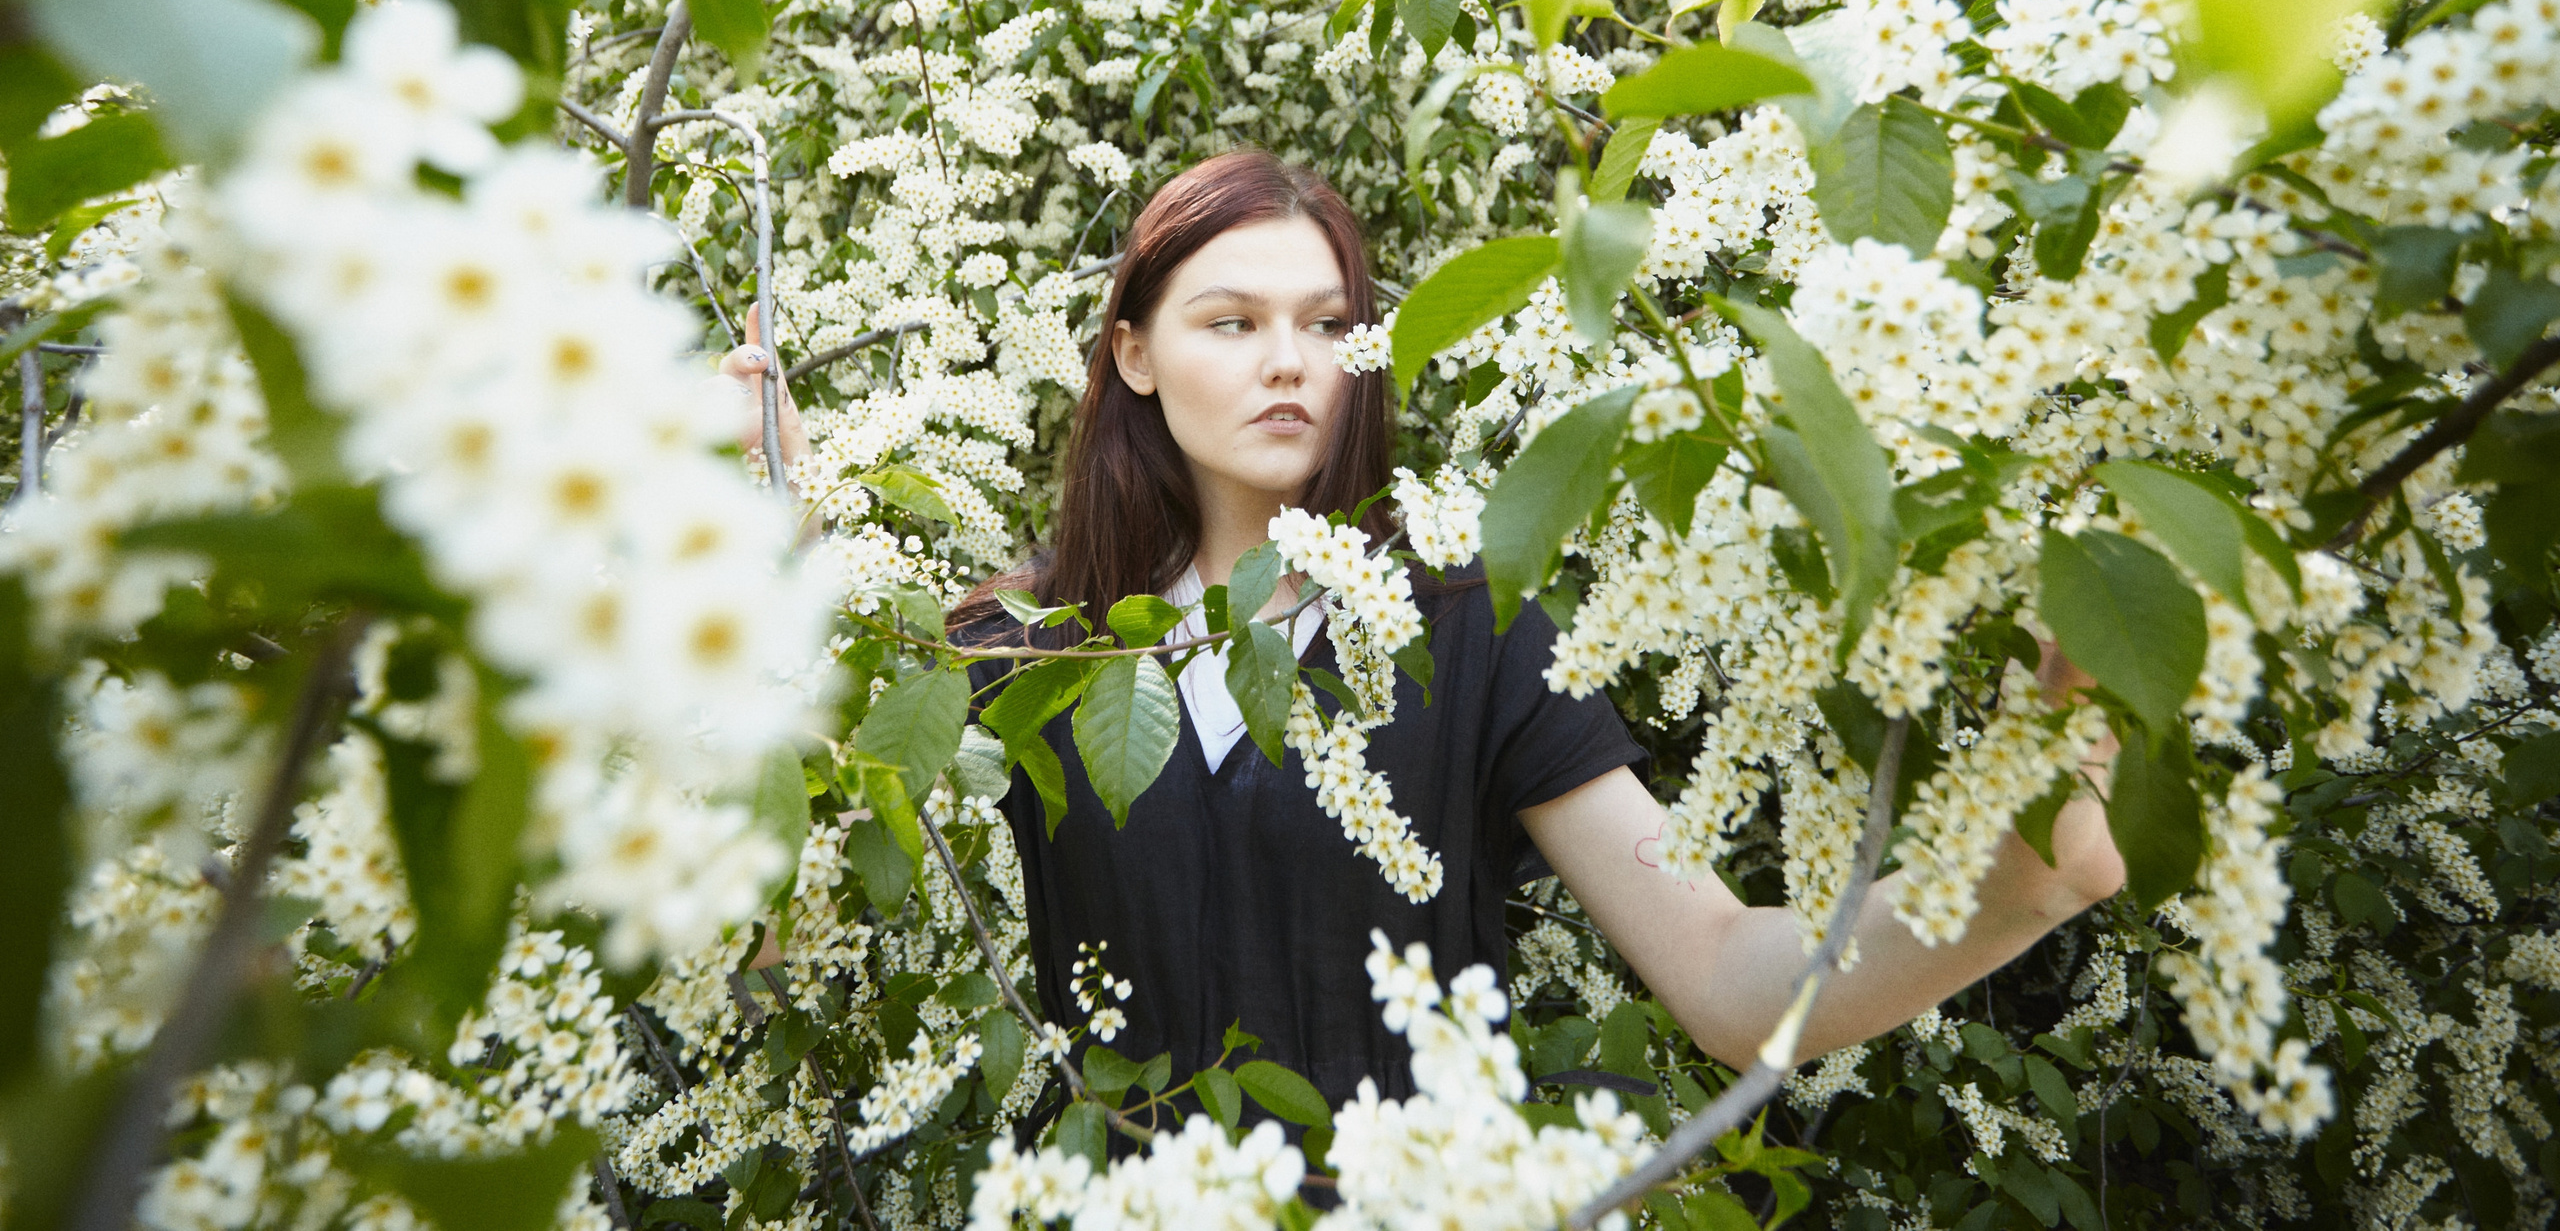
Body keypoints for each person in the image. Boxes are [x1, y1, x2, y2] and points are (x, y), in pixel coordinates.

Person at [743, 150, 2126, 1124]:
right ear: (1135, 356)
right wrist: (771, 538)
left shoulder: (1466, 629)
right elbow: (784, 834)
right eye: (1231, 322)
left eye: (1328, 324)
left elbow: (1720, 975)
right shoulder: (1029, 645)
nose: (1291, 361)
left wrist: (2013, 874)